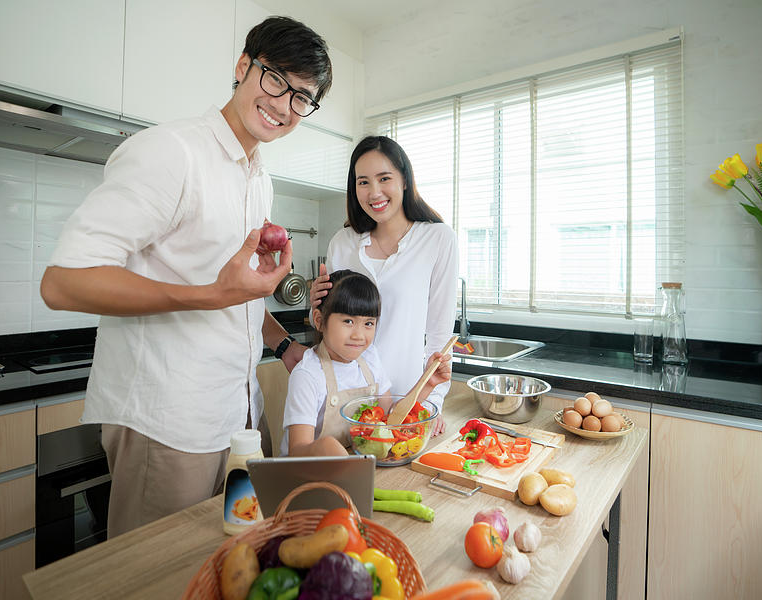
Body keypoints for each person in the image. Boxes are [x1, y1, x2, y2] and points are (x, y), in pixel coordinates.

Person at [39, 16, 332, 537]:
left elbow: (236, 298)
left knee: (233, 565)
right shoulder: (171, 151)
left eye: (302, 97)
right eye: (275, 80)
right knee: (157, 580)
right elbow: (63, 282)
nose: (285, 105)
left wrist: (285, 346)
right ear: (243, 67)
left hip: (239, 415)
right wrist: (212, 293)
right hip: (168, 423)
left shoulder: (257, 176)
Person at [310, 136, 458, 436]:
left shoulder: (438, 239)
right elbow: (333, 328)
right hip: (348, 403)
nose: (373, 192)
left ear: (404, 180)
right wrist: (316, 305)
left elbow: (441, 336)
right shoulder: (343, 242)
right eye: (362, 182)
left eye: (384, 178)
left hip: (408, 401)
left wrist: (431, 403)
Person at [283, 269, 451, 456]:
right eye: (348, 321)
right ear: (319, 320)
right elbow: (297, 452)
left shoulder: (370, 359)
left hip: (357, 467)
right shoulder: (307, 375)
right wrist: (327, 448)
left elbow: (391, 418)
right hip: (311, 477)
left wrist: (428, 383)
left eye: (368, 323)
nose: (359, 335)